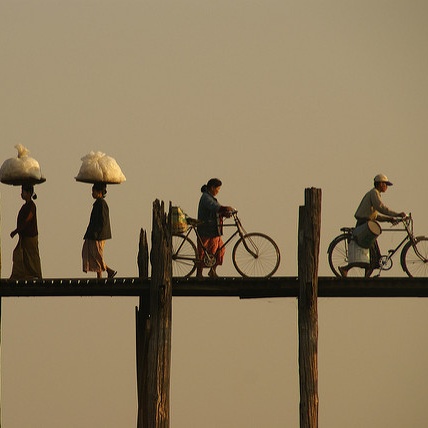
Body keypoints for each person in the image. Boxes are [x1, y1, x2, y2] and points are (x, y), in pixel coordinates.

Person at [339, 174, 406, 277]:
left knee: (373, 253)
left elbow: (375, 216)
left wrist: (390, 219)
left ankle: (365, 275)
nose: (386, 187)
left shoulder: (375, 193)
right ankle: (346, 269)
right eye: (385, 184)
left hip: (368, 224)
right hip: (365, 225)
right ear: (380, 184)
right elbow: (381, 208)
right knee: (371, 253)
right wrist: (396, 214)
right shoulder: (374, 193)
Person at [196, 178, 234, 278]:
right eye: (218, 188)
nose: (218, 191)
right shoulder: (206, 198)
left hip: (214, 230)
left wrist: (225, 214)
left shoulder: (210, 197)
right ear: (212, 188)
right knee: (203, 252)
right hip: (206, 229)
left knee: (219, 250)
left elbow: (216, 210)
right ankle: (199, 273)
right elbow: (214, 207)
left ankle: (212, 270)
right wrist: (225, 208)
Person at [82, 182, 117, 279]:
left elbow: (103, 221)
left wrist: (97, 234)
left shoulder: (101, 204)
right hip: (94, 234)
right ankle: (102, 274)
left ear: (100, 192)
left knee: (97, 255)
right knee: (93, 254)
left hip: (98, 235)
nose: (92, 193)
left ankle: (107, 272)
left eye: (94, 191)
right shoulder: (98, 204)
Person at [10, 184, 42, 279]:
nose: (21, 194)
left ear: (28, 193)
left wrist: (16, 231)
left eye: (23, 192)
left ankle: (36, 275)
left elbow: (28, 219)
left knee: (32, 256)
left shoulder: (32, 206)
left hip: (30, 236)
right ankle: (22, 274)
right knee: (21, 255)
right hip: (24, 236)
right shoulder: (25, 206)